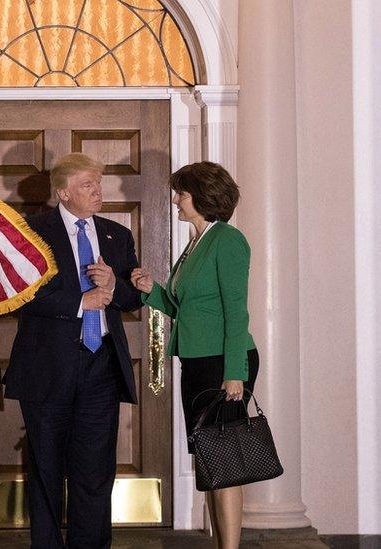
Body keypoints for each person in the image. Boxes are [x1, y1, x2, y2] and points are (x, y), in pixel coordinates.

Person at [3, 153, 142, 549]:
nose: (98, 191)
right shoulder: (32, 232)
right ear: (63, 193)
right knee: (46, 467)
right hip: (47, 369)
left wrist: (114, 287)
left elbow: (133, 297)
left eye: (98, 183)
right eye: (87, 185)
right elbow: (22, 293)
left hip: (102, 368)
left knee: (96, 470)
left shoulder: (117, 235)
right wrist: (83, 301)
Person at [130, 161, 259, 549]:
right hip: (197, 362)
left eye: (181, 194)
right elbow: (183, 307)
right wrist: (151, 289)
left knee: (224, 459)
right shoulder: (195, 244)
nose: (175, 200)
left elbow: (237, 311)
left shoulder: (228, 240)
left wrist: (234, 372)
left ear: (202, 197)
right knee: (207, 458)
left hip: (225, 362)